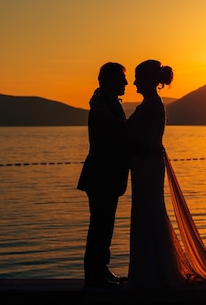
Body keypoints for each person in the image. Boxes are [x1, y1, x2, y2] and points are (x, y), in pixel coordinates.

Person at [126, 59, 206, 289]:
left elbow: (135, 136)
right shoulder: (151, 103)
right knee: (148, 212)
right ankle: (152, 269)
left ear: (149, 80)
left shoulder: (151, 105)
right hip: (145, 165)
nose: (135, 82)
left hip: (147, 164)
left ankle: (155, 271)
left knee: (150, 213)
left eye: (138, 77)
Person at [77, 62, 131, 289]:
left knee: (104, 224)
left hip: (106, 175)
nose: (126, 83)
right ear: (110, 80)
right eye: (122, 78)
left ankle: (101, 270)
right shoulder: (101, 105)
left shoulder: (104, 102)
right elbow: (120, 131)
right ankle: (95, 275)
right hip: (101, 175)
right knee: (100, 224)